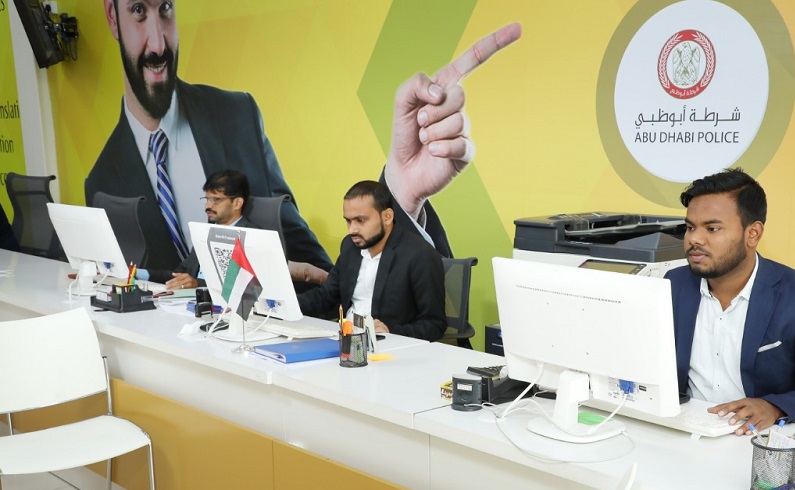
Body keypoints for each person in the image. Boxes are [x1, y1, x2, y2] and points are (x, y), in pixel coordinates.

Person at [86, 0, 520, 273]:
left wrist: (399, 201)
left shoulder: (237, 116)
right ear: (112, 17)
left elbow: (311, 261)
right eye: (138, 11)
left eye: (165, 8)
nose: (158, 43)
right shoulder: (102, 181)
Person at [665, 168, 795, 435]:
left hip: (762, 438)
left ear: (752, 233)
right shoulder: (673, 285)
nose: (694, 238)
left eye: (712, 228)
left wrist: (774, 407)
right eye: (690, 227)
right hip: (685, 430)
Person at [297, 180, 446, 342]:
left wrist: (391, 331)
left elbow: (434, 324)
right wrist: (286, 305)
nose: (352, 229)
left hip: (390, 347)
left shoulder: (420, 254)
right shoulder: (350, 246)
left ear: (387, 217)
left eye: (360, 220)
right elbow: (326, 296)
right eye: (348, 221)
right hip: (346, 340)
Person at [165, 169, 249, 290]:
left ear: (237, 203)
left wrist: (198, 284)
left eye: (216, 200)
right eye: (207, 199)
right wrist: (143, 274)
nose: (208, 206)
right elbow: (180, 273)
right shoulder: (204, 233)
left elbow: (239, 286)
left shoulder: (253, 237)